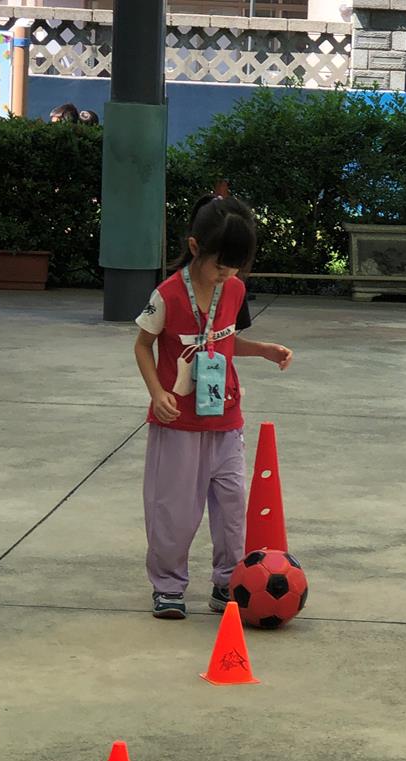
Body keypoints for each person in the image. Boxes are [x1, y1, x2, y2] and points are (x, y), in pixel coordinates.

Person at [134, 195, 293, 620]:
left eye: (235, 267)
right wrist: (157, 393)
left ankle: (229, 581)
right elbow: (143, 345)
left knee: (232, 506)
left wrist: (263, 350)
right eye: (220, 266)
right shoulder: (167, 295)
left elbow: (223, 341)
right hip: (178, 423)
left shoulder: (235, 290)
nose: (226, 275)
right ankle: (168, 586)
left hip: (225, 418)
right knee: (173, 509)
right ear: (194, 247)